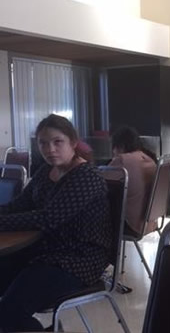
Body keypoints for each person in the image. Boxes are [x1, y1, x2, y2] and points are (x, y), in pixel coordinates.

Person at [0, 114, 111, 331]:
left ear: (73, 142)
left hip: (78, 258)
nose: (50, 149)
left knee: (9, 312)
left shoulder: (86, 177)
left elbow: (48, 218)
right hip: (43, 250)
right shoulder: (45, 171)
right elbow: (19, 205)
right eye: (43, 143)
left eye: (57, 141)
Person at [109, 126, 157, 236]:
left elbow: (100, 184)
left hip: (131, 224)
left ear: (120, 146)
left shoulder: (122, 160)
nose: (113, 151)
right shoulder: (149, 159)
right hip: (149, 223)